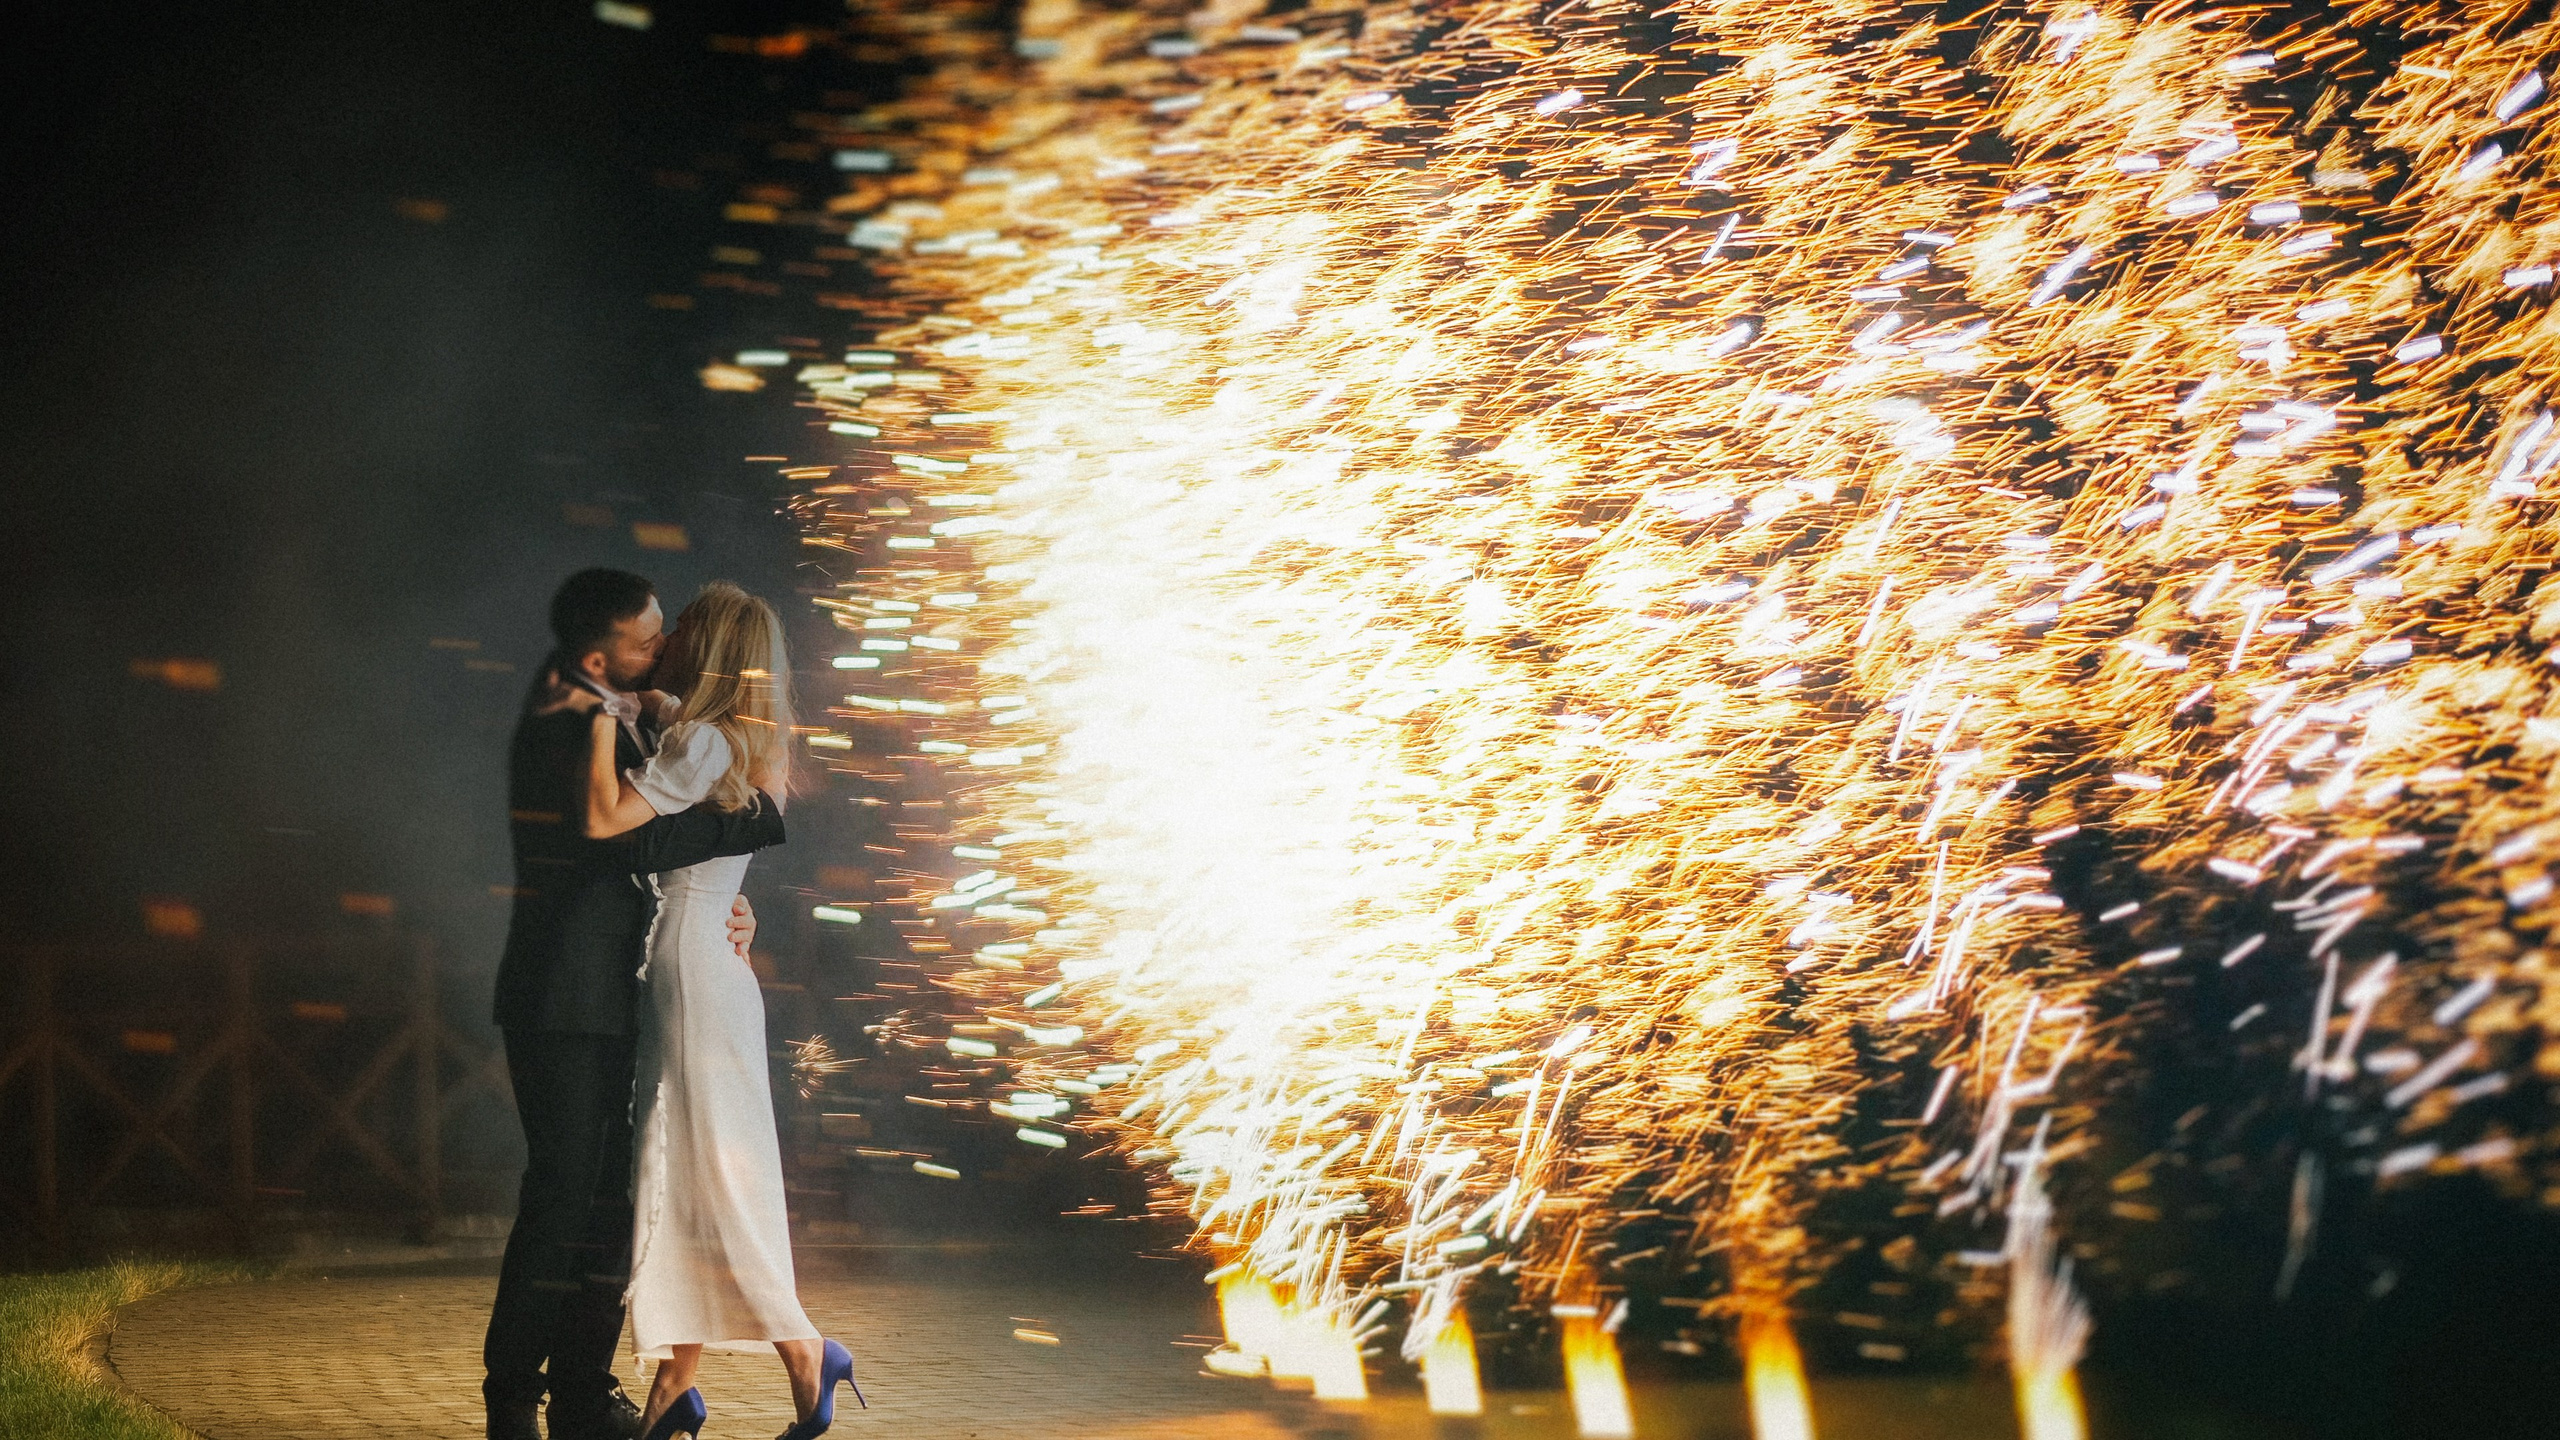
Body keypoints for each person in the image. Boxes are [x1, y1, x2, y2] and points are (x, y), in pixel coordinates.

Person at [485, 569, 788, 1440]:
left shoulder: (615, 710)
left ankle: (583, 1393)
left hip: (617, 992)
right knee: (563, 1198)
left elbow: (658, 847)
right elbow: (620, 838)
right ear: (597, 654)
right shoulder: (566, 720)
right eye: (646, 640)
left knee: (611, 1204)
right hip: (565, 999)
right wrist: (750, 822)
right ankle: (514, 1399)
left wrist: (726, 896)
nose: (663, 650)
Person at [558, 580, 860, 1440]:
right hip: (714, 966)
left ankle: (803, 1347)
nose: (673, 637)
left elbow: (609, 814)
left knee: (693, 1169)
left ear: (711, 649)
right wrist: (644, 703)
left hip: (689, 964)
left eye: (686, 627)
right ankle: (673, 1389)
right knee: (698, 1168)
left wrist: (600, 719)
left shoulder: (698, 741)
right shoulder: (744, 740)